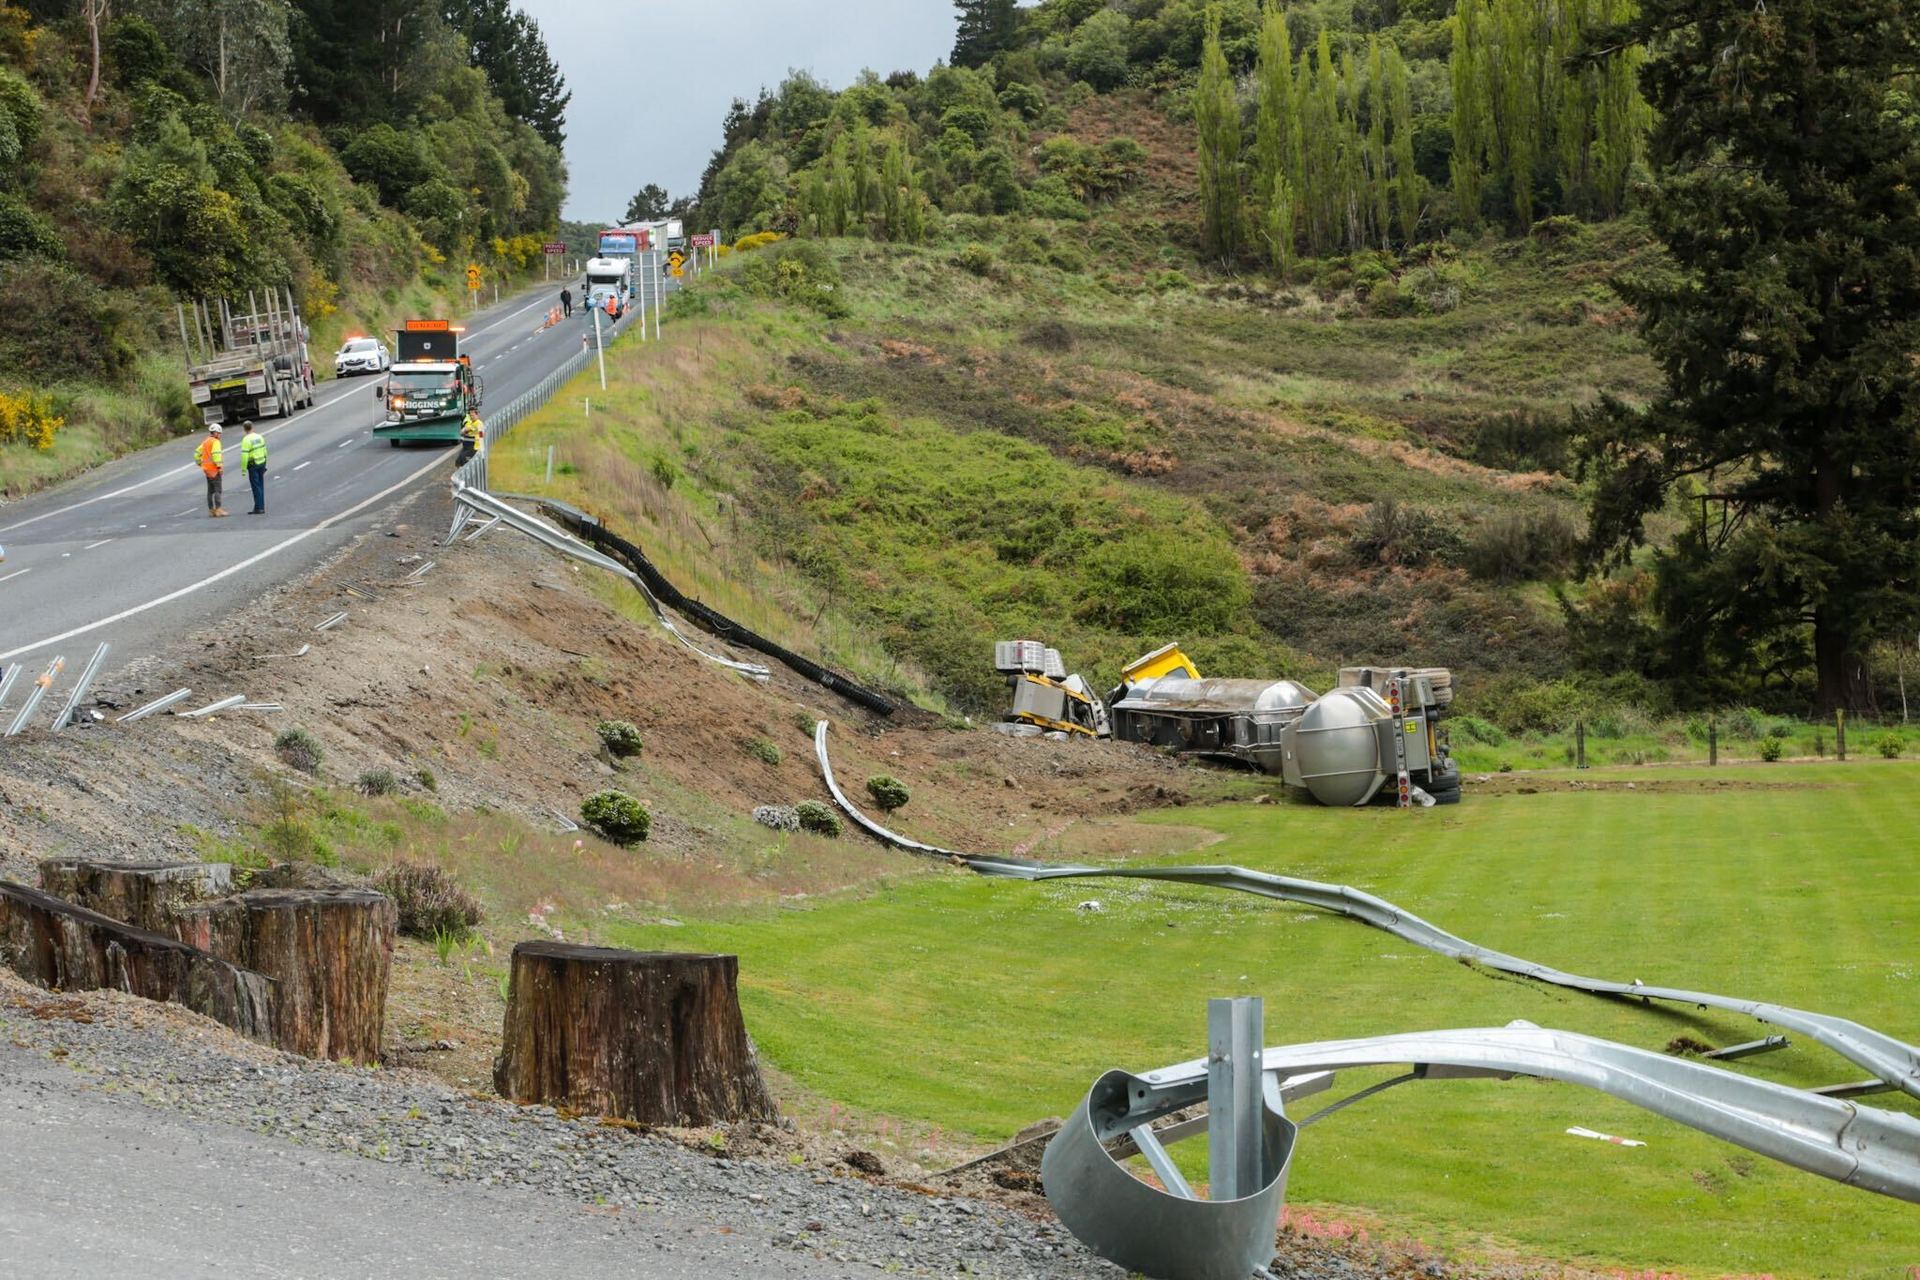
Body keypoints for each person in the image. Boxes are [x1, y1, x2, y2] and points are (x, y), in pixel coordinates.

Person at [195, 423, 227, 518]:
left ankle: (211, 510)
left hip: (207, 470)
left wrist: (200, 463)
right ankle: (218, 510)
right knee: (218, 490)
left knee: (210, 491)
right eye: (219, 433)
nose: (220, 436)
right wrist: (220, 467)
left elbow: (196, 453)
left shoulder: (205, 442)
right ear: (216, 433)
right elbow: (216, 455)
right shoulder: (215, 442)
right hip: (214, 469)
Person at [238, 421, 267, 514]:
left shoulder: (246, 440)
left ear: (244, 429)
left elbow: (244, 456)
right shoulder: (259, 437)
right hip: (261, 462)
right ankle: (259, 506)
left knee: (256, 487)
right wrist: (265, 463)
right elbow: (265, 450)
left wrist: (243, 469)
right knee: (260, 486)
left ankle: (259, 508)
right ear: (252, 427)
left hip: (253, 464)